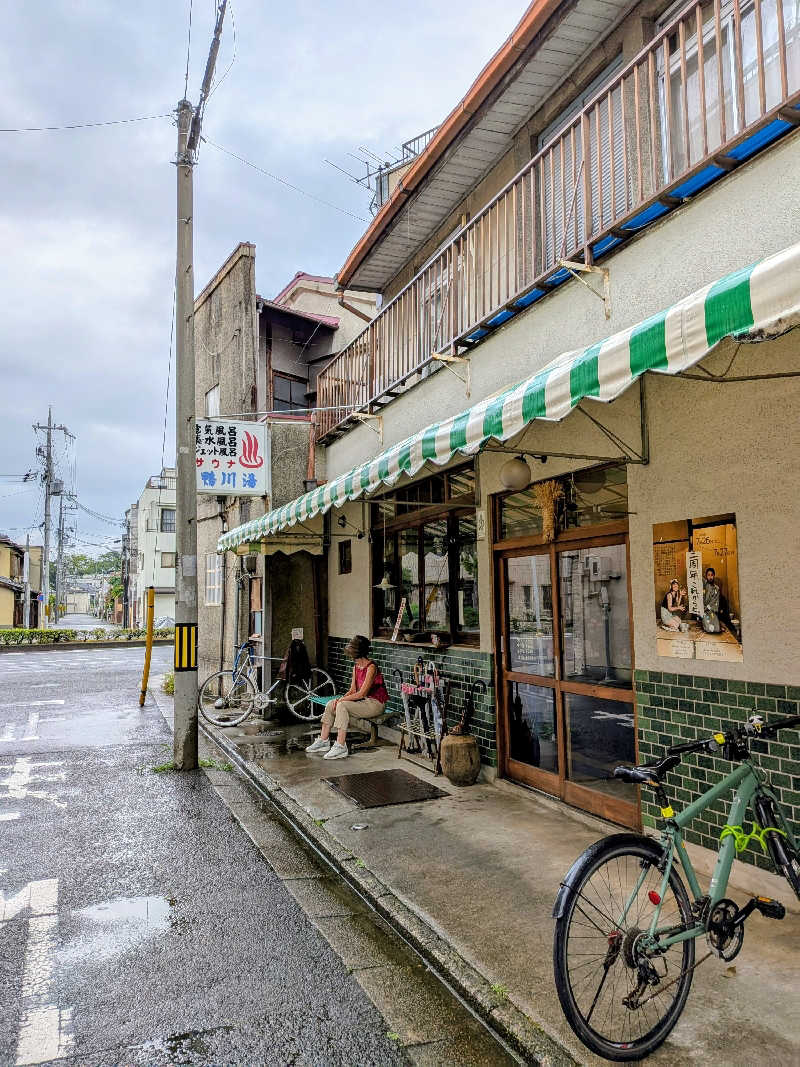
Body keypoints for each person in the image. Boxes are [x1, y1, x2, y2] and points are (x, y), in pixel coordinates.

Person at [306, 635, 388, 760]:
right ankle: (323, 740)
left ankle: (340, 745)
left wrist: (341, 700)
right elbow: (353, 690)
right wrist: (338, 699)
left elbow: (362, 694)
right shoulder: (356, 666)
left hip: (375, 704)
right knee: (331, 704)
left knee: (341, 705)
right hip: (363, 702)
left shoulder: (371, 667)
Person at [701, 567, 722, 633]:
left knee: (716, 629)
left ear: (714, 576)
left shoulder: (716, 588)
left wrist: (707, 607)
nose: (710, 577)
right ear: (706, 576)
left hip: (712, 611)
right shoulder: (703, 585)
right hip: (703, 611)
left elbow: (715, 601)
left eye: (712, 575)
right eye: (708, 575)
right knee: (708, 628)